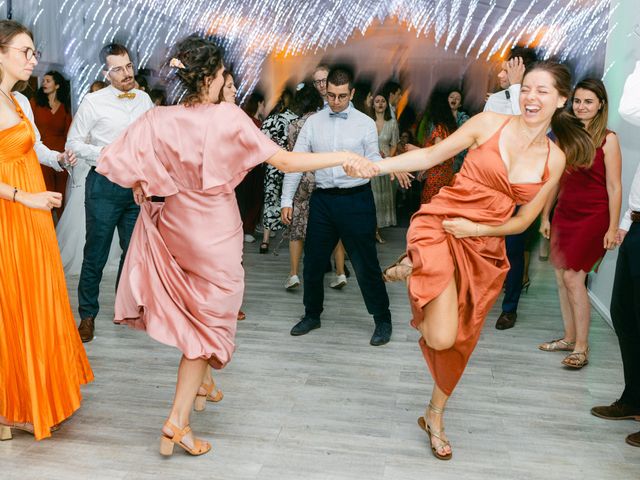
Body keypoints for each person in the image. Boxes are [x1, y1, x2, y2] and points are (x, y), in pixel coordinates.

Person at [95, 35, 366, 457]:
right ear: (210, 76)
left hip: (176, 226)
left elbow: (113, 161)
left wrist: (144, 186)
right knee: (210, 324)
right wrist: (340, 155)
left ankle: (202, 385)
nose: (228, 79)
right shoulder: (229, 118)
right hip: (216, 231)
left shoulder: (158, 117)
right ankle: (177, 421)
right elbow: (286, 161)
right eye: (224, 72)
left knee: (194, 310)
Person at [346, 61, 593, 460]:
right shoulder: (488, 123)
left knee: (452, 339)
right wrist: (377, 166)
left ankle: (435, 414)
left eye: (542, 91)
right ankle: (421, 261)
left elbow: (524, 221)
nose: (531, 97)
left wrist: (477, 231)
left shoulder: (556, 157)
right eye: (526, 88)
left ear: (561, 100)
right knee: (440, 330)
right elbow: (429, 157)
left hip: (484, 245)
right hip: (443, 224)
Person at [0, 19, 93, 441]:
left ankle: (35, 393)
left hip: (33, 208)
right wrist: (24, 197)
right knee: (13, 303)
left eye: (34, 52)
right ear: (0, 53)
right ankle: (11, 403)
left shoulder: (18, 101)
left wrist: (59, 159)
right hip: (11, 211)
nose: (33, 59)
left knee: (37, 296)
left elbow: (33, 146)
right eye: (25, 51)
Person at [284, 67, 410, 346]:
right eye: (331, 95)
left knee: (366, 264)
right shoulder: (314, 122)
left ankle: (382, 319)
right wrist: (286, 199)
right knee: (313, 263)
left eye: (342, 96)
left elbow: (373, 159)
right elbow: (296, 161)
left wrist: (392, 167)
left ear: (352, 93)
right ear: (324, 91)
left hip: (356, 200)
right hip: (323, 201)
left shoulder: (364, 123)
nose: (336, 101)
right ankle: (312, 314)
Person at [66, 43, 154, 343]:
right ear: (106, 72)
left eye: (128, 66)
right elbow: (74, 143)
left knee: (132, 253)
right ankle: (87, 316)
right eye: (118, 68)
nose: (127, 72)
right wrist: (106, 152)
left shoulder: (144, 100)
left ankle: (124, 308)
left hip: (135, 188)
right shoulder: (93, 102)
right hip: (103, 185)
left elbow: (151, 140)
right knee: (96, 254)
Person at [539, 79, 622, 369]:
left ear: (600, 104)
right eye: (578, 101)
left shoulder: (608, 139)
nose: (581, 106)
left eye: (588, 101)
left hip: (593, 216)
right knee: (561, 278)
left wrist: (613, 227)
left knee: (575, 278)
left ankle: (582, 348)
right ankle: (569, 337)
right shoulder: (566, 135)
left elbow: (614, 187)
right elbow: (556, 180)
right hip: (565, 213)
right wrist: (545, 216)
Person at [591, 60, 640, 448]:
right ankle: (634, 399)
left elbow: (628, 109)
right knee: (625, 314)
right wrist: (625, 220)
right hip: (638, 225)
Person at [485, 47, 541, 330]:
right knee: (485, 245)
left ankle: (510, 308)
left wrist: (520, 87)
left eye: (507, 68)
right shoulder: (494, 100)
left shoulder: (537, 102)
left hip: (521, 189)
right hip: (491, 187)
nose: (500, 73)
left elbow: (527, 134)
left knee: (514, 249)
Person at [280, 83, 324, 290]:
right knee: (319, 225)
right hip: (321, 176)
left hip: (299, 178)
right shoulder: (322, 123)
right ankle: (325, 270)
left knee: (297, 225)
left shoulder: (293, 125)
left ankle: (294, 273)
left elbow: (291, 155)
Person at [30, 70, 72, 220]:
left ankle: (60, 230)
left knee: (61, 194)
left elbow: (69, 133)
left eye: (48, 81)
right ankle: (46, 226)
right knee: (45, 191)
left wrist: (67, 154)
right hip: (41, 153)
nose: (44, 83)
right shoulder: (34, 103)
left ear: (58, 85)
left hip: (60, 155)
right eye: (44, 81)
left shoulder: (65, 108)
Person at [259, 101, 298, 254]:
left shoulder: (270, 120)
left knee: (270, 200)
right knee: (291, 200)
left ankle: (265, 240)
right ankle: (294, 238)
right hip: (291, 165)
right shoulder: (295, 119)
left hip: (273, 166)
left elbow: (261, 142)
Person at [235, 90, 266, 243]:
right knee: (254, 199)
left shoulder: (240, 121)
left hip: (239, 167)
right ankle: (248, 230)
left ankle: (239, 229)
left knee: (240, 199)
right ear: (259, 104)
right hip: (255, 168)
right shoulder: (259, 124)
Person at [417, 89, 458, 204]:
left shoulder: (439, 128)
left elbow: (438, 157)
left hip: (437, 176)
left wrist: (416, 151)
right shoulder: (449, 127)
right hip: (447, 173)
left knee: (430, 207)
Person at [371, 92, 399, 240]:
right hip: (370, 164)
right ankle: (372, 230)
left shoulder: (392, 123)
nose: (380, 104)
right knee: (373, 198)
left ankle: (377, 230)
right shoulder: (368, 122)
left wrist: (388, 159)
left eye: (383, 101)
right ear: (373, 104)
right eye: (377, 101)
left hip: (386, 164)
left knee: (383, 198)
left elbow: (394, 144)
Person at [447, 88, 470, 172]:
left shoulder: (464, 119)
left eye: (457, 99)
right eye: (451, 97)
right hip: (441, 160)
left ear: (460, 104)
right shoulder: (439, 118)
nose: (454, 99)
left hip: (457, 162)